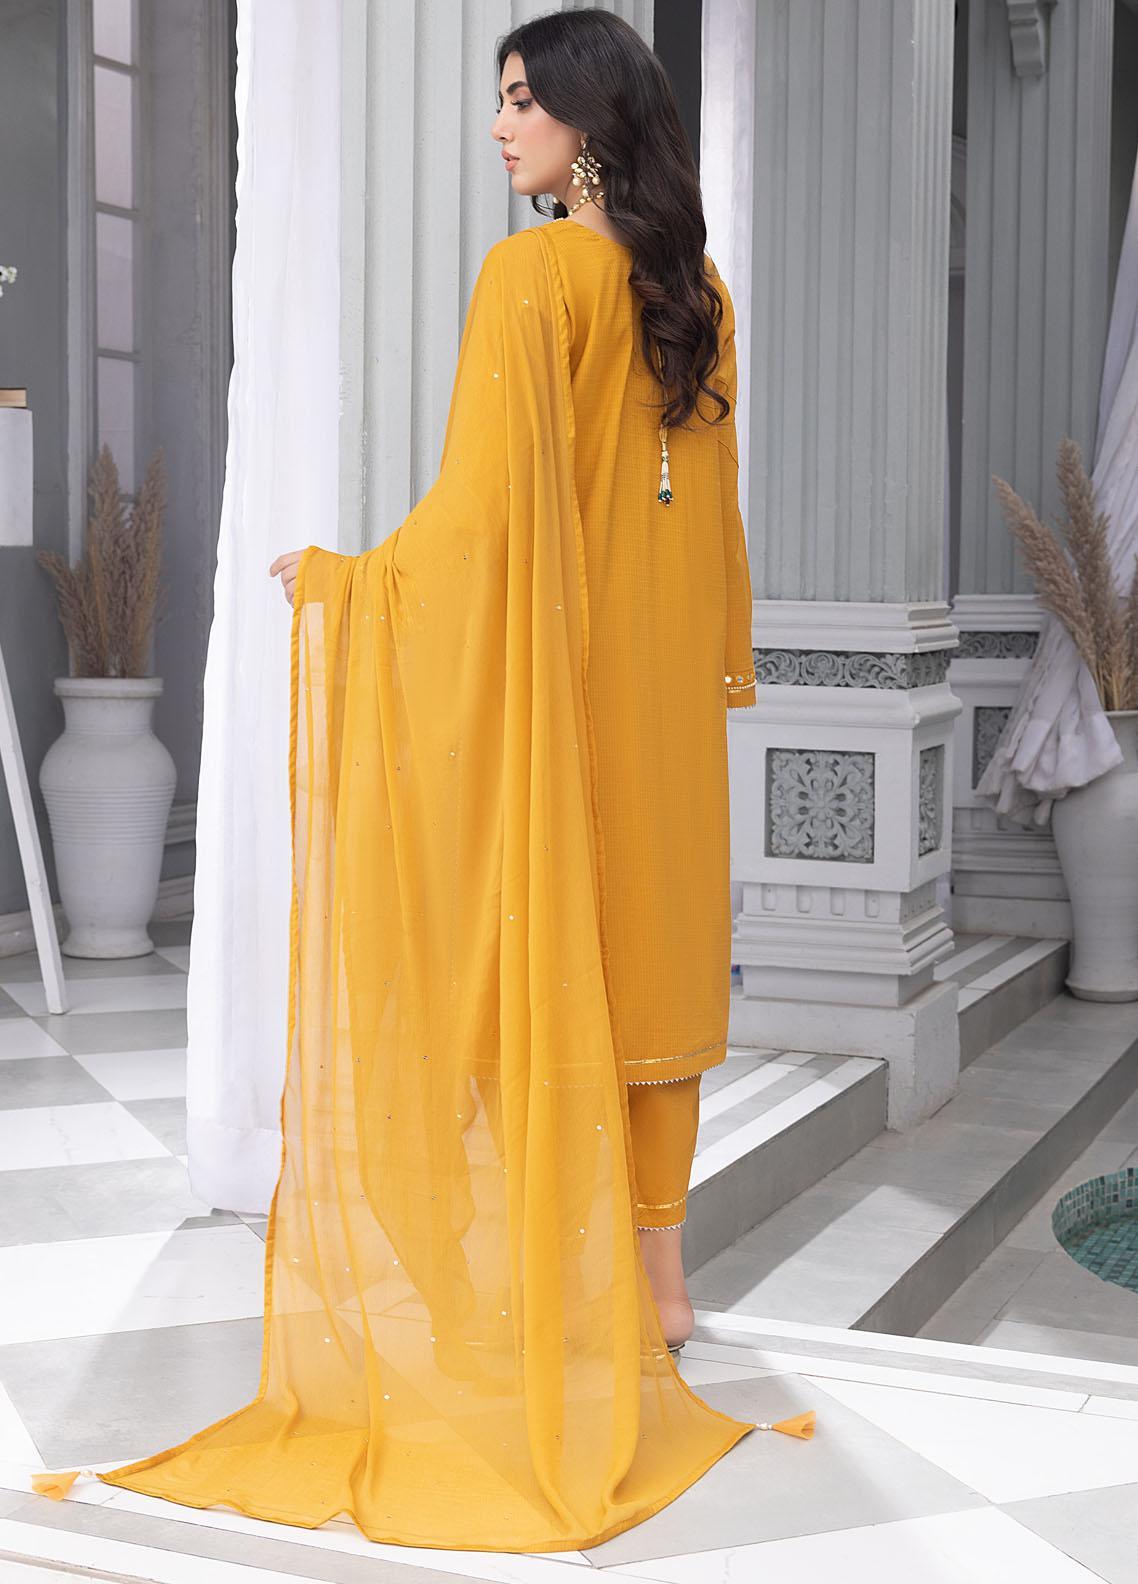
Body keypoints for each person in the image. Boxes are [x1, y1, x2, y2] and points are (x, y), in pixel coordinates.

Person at [34, 9, 813, 1555]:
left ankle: (536, 1281)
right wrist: (713, 668)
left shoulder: (533, 276)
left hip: (562, 696)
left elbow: (483, 511)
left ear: (588, 121)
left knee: (523, 963)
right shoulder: (697, 293)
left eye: (522, 101)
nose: (500, 126)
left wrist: (350, 583)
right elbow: (712, 519)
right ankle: (657, 1287)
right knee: (648, 973)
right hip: (664, 698)